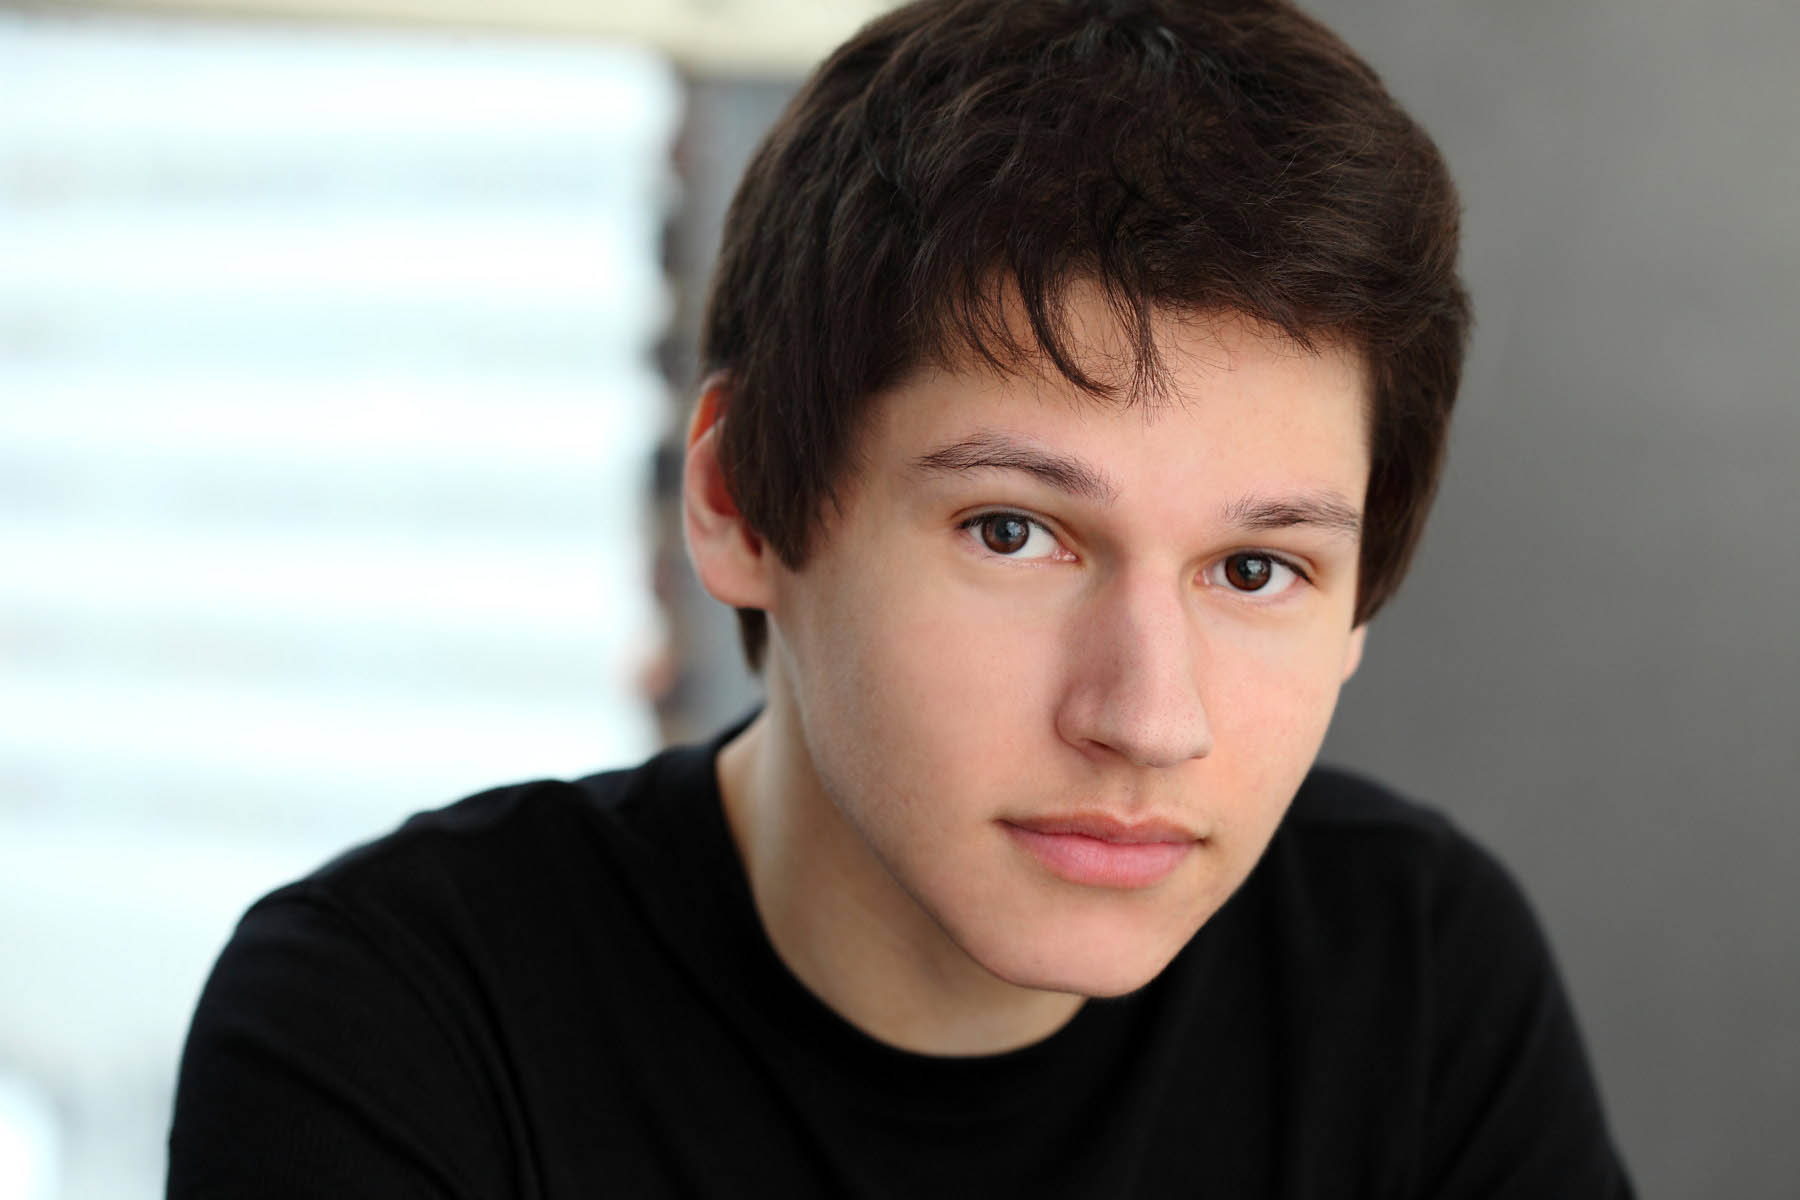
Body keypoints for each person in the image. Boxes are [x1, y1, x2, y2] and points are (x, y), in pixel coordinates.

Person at [169, 1, 1635, 1195]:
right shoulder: (396, 1025)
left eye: (1257, 571)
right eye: (1015, 532)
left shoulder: (1414, 971)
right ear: (740, 501)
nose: (1146, 718)